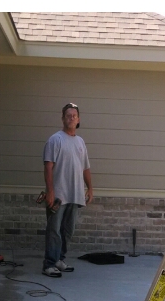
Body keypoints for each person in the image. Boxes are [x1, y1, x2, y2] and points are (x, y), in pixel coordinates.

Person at [42, 102, 93, 278]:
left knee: (67, 231)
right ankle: (49, 264)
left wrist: (90, 189)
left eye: (74, 115)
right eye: (68, 115)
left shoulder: (80, 142)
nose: (71, 118)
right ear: (63, 118)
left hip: (76, 194)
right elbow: (48, 167)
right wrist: (50, 192)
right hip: (58, 195)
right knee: (54, 230)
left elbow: (85, 168)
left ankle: (59, 260)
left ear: (78, 119)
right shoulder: (55, 140)